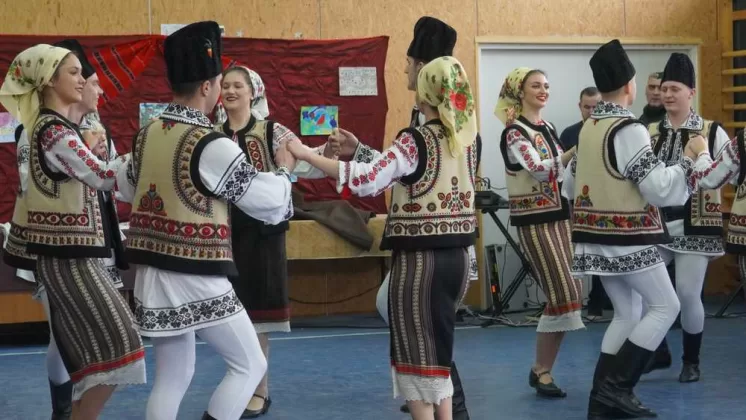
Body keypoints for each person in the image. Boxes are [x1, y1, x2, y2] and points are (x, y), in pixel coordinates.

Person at [115, 21, 295, 420]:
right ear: (207, 87)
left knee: (173, 377)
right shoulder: (209, 143)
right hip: (196, 271)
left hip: (152, 272)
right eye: (219, 83)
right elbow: (265, 201)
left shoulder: (146, 134)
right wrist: (284, 171)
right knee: (249, 364)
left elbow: (125, 186)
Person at [287, 56, 477, 420]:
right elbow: (408, 171)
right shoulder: (467, 140)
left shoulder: (416, 138)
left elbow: (369, 178)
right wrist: (360, 150)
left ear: (425, 92)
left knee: (415, 357)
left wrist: (306, 155)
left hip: (421, 261)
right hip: (459, 258)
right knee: (439, 355)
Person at [333, 16, 477, 419]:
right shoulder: (462, 130)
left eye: (409, 63)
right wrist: (363, 152)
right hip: (457, 248)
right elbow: (409, 170)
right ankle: (440, 397)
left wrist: (314, 158)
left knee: (416, 333)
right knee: (415, 322)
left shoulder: (421, 130)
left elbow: (384, 174)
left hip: (425, 253)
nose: (404, 70)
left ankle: (439, 398)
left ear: (424, 71)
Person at [562, 39, 710, 418]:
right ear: (630, 85)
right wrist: (688, 160)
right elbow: (658, 189)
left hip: (593, 236)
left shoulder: (589, 127)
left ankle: (600, 397)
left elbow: (569, 184)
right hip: (627, 235)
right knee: (666, 306)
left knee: (627, 314)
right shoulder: (629, 128)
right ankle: (617, 388)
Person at [0, 43, 146, 420]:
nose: (84, 80)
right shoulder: (53, 131)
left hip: (76, 254)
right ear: (50, 80)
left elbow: (102, 177)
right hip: (67, 258)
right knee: (120, 344)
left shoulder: (56, 128)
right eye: (74, 73)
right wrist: (150, 149)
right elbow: (103, 176)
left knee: (102, 348)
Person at [217, 65, 329, 418]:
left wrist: (330, 150)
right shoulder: (212, 134)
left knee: (257, 318)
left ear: (253, 92)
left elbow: (305, 161)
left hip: (262, 235)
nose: (230, 91)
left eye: (238, 85)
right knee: (229, 318)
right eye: (225, 85)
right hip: (223, 235)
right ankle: (241, 383)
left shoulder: (272, 131)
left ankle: (259, 391)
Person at [496, 67, 585, 398]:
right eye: (535, 85)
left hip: (559, 217)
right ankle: (540, 369)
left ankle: (542, 369)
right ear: (520, 92)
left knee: (571, 293)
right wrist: (576, 149)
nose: (543, 90)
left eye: (546, 85)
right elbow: (538, 169)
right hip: (534, 220)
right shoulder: (514, 133)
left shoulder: (547, 127)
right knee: (563, 293)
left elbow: (561, 173)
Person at [642, 53, 730, 383]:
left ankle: (691, 361)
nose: (667, 94)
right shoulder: (649, 131)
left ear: (691, 92)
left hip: (697, 223)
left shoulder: (712, 130)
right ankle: (659, 350)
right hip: (658, 223)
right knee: (644, 289)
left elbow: (728, 172)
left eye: (674, 89)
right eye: (664, 88)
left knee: (688, 293)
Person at [559, 86, 608, 318]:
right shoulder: (569, 134)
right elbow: (560, 170)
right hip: (575, 202)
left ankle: (598, 301)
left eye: (595, 107)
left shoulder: (611, 131)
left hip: (605, 202)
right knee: (574, 253)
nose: (591, 111)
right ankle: (572, 303)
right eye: (586, 107)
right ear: (580, 107)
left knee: (601, 252)